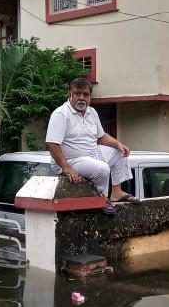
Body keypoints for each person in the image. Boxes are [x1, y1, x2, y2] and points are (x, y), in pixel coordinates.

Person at [46, 77, 140, 214]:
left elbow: (101, 137)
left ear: (90, 96)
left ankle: (116, 192)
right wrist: (66, 167)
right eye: (77, 93)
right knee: (103, 169)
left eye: (85, 94)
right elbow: (52, 144)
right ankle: (100, 198)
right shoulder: (61, 114)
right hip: (72, 160)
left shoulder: (92, 112)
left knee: (119, 152)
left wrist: (118, 144)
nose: (81, 98)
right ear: (70, 94)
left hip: (92, 155)